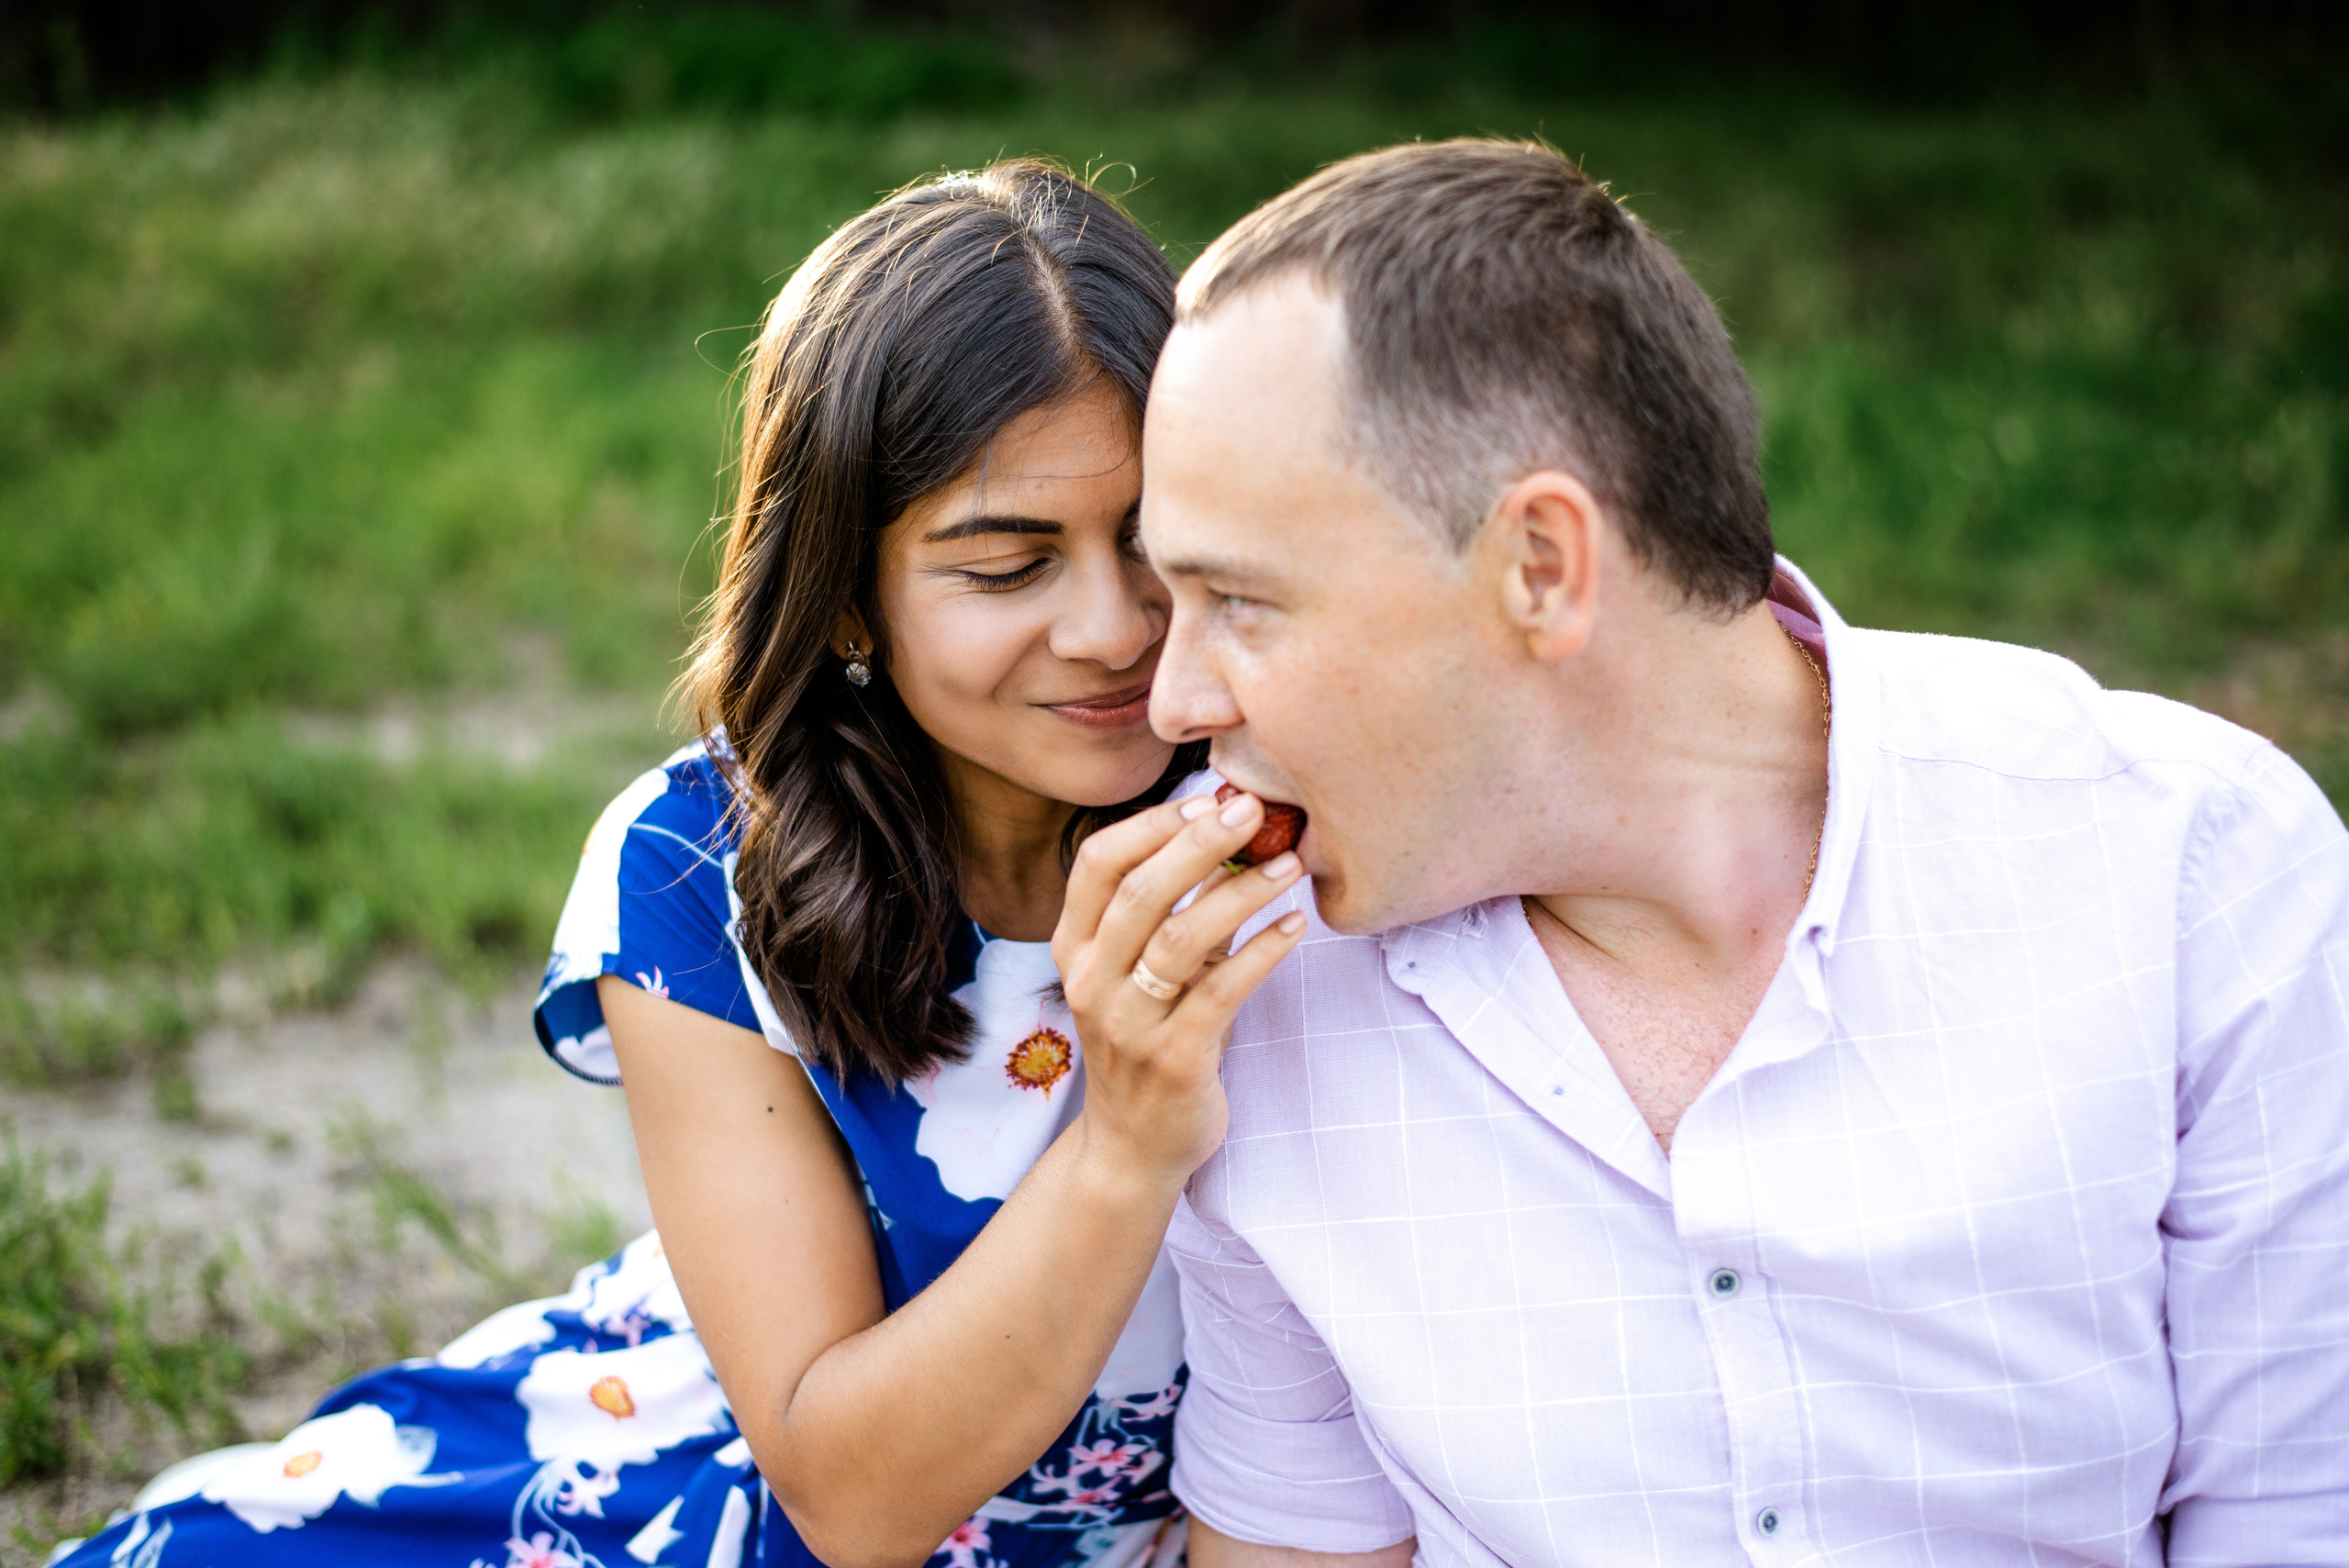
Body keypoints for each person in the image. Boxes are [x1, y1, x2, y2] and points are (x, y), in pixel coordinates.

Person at [1046, 139, 2349, 1564]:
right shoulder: (1253, 1004)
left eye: (1237, 600)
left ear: (1542, 568)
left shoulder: (2192, 869)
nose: (1173, 701)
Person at [50, 161, 1311, 1568]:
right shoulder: (698, 868)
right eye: (1007, 566)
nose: (1115, 628)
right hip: (763, 1470)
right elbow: (850, 1500)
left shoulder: (1313, 812)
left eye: (1152, 540)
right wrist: (1126, 1140)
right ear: (846, 595)